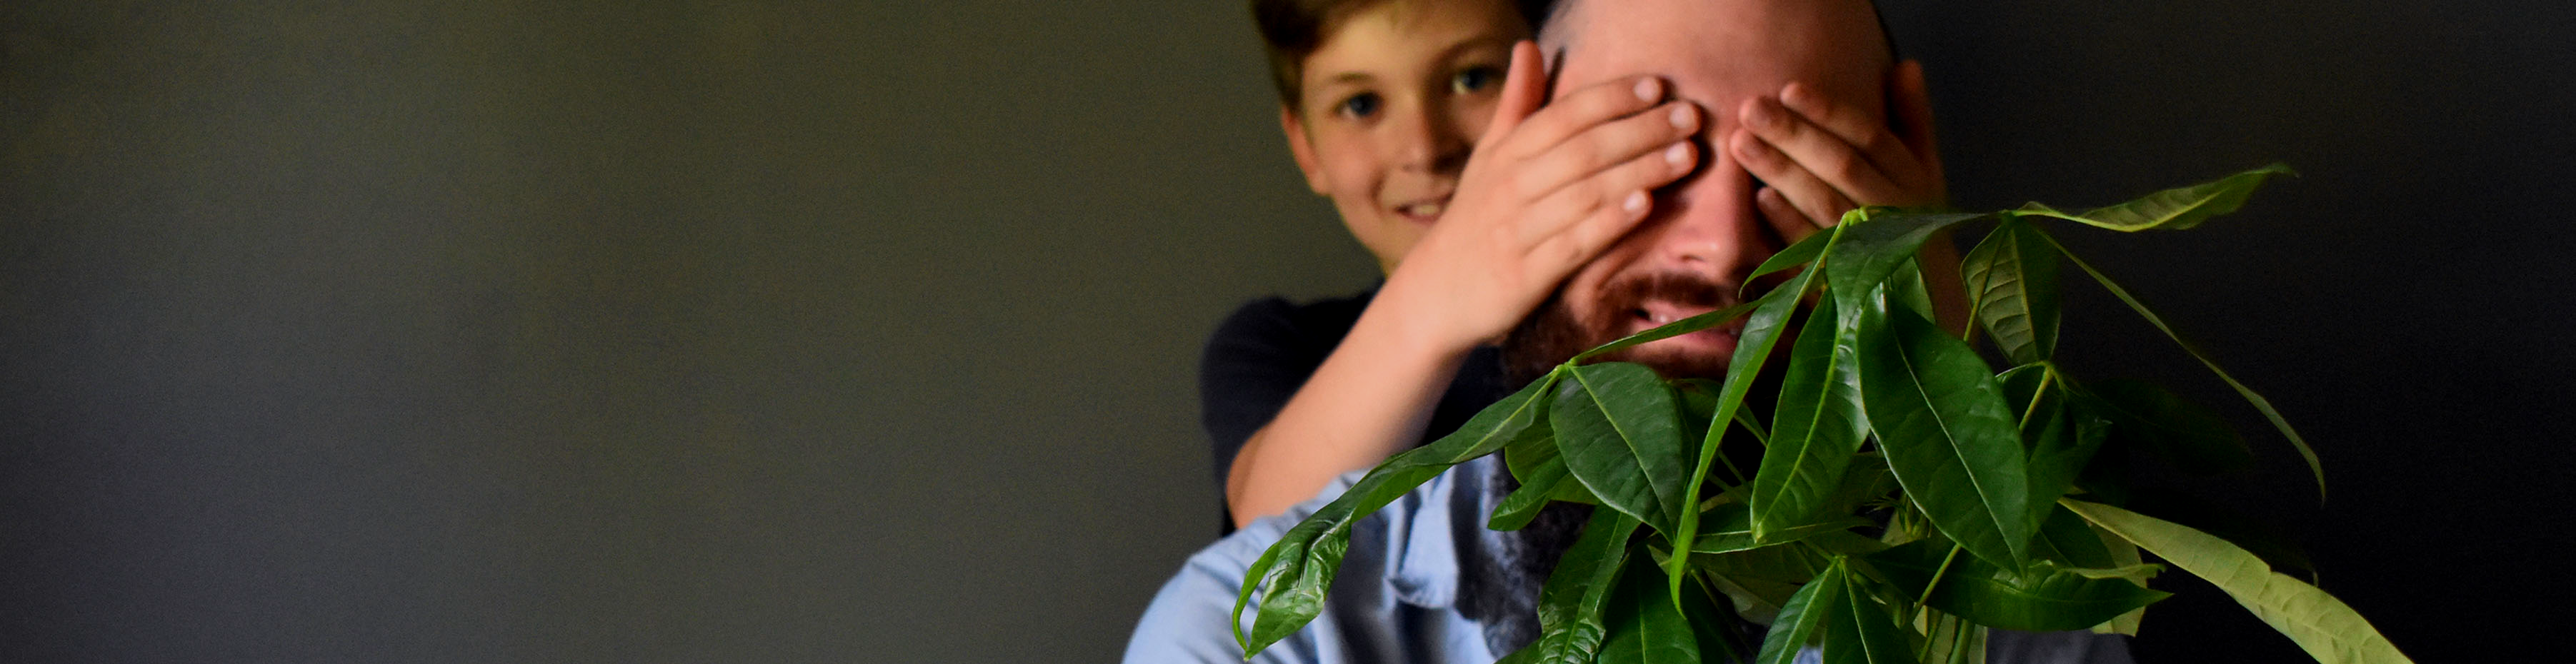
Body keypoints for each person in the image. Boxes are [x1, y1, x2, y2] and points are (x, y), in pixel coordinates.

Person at [1129, 0, 2100, 662]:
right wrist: (1447, 281)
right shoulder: (1251, 629)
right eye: (1654, 152)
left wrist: (1933, 319)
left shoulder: (1999, 597)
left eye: (1791, 171)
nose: (1723, 247)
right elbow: (1277, 535)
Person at [1212, 0, 1955, 533]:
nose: (1425, 148)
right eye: (1361, 104)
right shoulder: (1281, 343)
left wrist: (1932, 303)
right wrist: (1444, 289)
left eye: (1472, 79)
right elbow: (1271, 537)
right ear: (1303, 145)